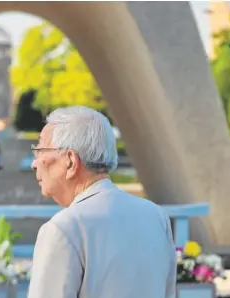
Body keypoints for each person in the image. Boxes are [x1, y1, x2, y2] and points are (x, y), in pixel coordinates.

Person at [28, 106, 176, 298]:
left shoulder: (63, 229)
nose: (34, 163)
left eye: (40, 150)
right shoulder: (156, 217)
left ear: (71, 161)